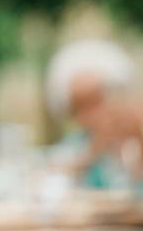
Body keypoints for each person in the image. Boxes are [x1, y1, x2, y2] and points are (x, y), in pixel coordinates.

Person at [46, 39, 143, 184]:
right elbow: (54, 178)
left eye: (96, 101)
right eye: (81, 106)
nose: (92, 115)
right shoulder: (73, 146)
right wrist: (93, 152)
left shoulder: (133, 139)